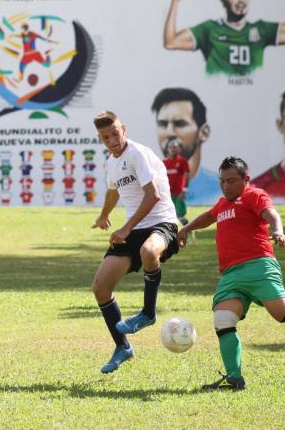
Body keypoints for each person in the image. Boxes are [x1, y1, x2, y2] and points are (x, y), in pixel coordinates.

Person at [177, 156, 285, 390]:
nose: (226, 186)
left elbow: (271, 214)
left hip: (259, 266)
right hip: (230, 274)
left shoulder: (254, 195)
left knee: (284, 315)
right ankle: (235, 378)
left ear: (245, 179)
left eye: (232, 181)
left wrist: (278, 231)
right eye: (222, 181)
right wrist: (186, 228)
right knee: (223, 320)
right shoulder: (223, 203)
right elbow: (208, 216)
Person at [90, 111, 179, 374]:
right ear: (101, 138)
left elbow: (153, 196)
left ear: (124, 130)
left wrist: (125, 228)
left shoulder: (137, 154)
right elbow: (113, 191)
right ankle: (123, 347)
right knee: (100, 287)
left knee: (149, 251)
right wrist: (104, 214)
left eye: (115, 133)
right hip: (134, 228)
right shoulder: (112, 162)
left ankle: (148, 314)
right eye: (105, 137)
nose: (111, 140)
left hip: (162, 223)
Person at [163, 0, 285, 76]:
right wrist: (175, 0)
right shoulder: (209, 29)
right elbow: (171, 42)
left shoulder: (260, 30)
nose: (241, 0)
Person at [151, 87, 219, 205]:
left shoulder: (220, 190)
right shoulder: (153, 184)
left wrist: (184, 189)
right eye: (163, 124)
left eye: (180, 124)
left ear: (204, 132)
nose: (169, 133)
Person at [163, 140, 191, 225]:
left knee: (180, 215)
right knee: (169, 215)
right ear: (168, 149)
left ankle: (189, 230)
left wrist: (184, 190)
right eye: (170, 147)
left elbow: (187, 175)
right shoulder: (164, 162)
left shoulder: (182, 161)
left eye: (175, 147)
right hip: (168, 193)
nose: (172, 149)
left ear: (178, 149)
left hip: (179, 193)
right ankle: (172, 234)